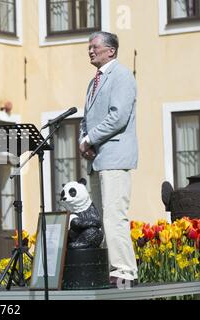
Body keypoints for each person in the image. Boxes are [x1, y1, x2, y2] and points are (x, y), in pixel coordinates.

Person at [79, 31, 138, 286]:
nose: (90, 51)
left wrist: (90, 138)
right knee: (102, 219)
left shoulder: (122, 75)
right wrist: (85, 140)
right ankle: (110, 271)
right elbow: (85, 119)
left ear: (111, 50)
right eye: (89, 47)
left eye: (95, 47)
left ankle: (125, 271)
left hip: (114, 157)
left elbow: (118, 116)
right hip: (97, 159)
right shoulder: (93, 82)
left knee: (115, 216)